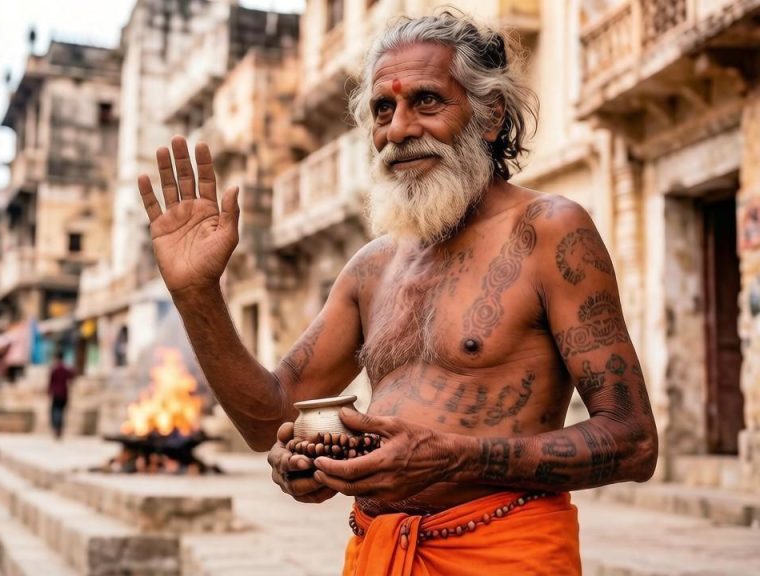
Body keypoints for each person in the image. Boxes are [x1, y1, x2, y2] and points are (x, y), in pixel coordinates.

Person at [136, 9, 658, 575]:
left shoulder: (549, 230)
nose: (399, 129)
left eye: (427, 101)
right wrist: (196, 295)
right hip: (376, 554)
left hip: (504, 554)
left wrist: (453, 460)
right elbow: (267, 419)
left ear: (489, 116)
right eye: (383, 109)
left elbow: (632, 441)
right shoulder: (372, 266)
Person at [47, 352, 74, 440]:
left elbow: (51, 381)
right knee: (61, 411)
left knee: (56, 411)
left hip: (56, 393)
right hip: (64, 393)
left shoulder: (54, 369)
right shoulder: (66, 369)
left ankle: (56, 427)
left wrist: (49, 391)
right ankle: (59, 428)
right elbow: (71, 377)